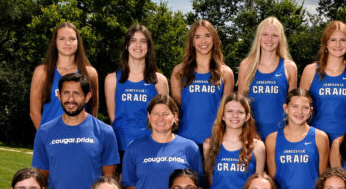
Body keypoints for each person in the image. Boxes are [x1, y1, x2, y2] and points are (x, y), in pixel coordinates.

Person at [104, 24, 170, 158]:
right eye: (133, 40)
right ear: (126, 46)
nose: (138, 45)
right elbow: (113, 118)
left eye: (143, 41)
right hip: (121, 146)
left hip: (151, 146)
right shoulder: (112, 80)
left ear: (148, 47)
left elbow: (164, 118)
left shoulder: (159, 81)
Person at [171, 19, 234, 147]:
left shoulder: (226, 73)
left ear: (214, 40)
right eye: (197, 37)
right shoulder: (179, 71)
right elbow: (175, 110)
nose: (203, 41)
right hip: (184, 141)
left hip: (214, 142)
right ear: (192, 42)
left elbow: (227, 112)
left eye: (207, 36)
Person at [299, 21, 346, 143]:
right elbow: (299, 109)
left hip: (345, 140)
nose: (338, 44)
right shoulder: (310, 71)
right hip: (314, 140)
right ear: (326, 43)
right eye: (333, 40)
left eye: (343, 40)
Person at [238, 17, 298, 139]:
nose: (269, 39)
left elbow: (293, 106)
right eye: (265, 34)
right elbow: (240, 106)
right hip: (252, 136)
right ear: (259, 37)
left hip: (281, 135)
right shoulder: (246, 65)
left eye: (274, 35)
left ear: (280, 39)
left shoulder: (289, 67)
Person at [30, 22, 98, 129]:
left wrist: (89, 133)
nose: (67, 43)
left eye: (72, 39)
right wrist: (45, 135)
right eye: (62, 39)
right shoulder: (42, 72)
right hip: (51, 136)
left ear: (78, 42)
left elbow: (93, 108)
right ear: (55, 42)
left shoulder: (90, 73)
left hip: (80, 136)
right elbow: (34, 112)